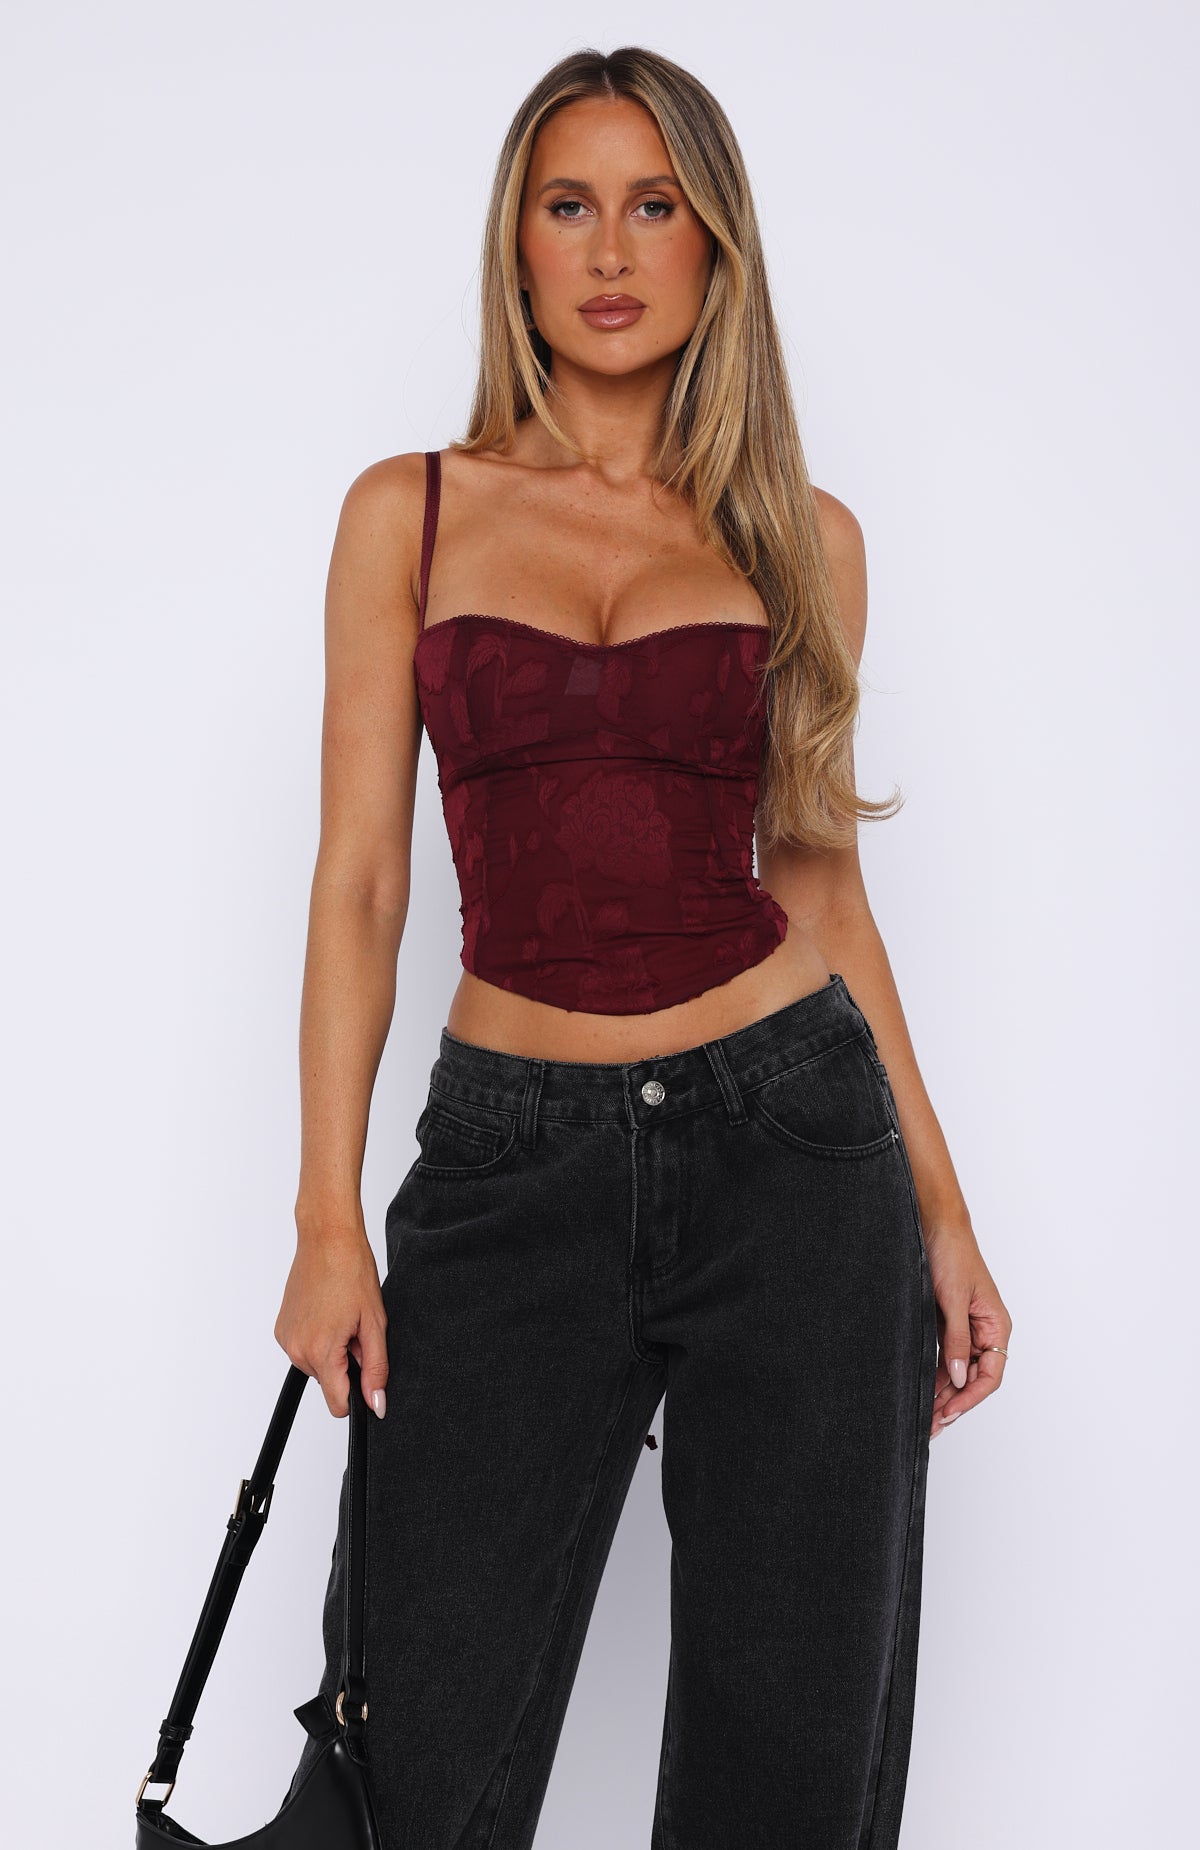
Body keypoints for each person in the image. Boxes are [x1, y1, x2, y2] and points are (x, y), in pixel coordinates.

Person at [276, 43, 1012, 1850]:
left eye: (654, 206)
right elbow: (361, 881)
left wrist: (942, 1206)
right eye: (570, 204)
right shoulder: (407, 512)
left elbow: (821, 890)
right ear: (517, 244)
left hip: (794, 1153)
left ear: (713, 245)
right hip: (507, 1165)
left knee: (788, 1773)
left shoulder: (805, 539)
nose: (611, 250)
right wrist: (325, 1218)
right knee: (410, 1760)